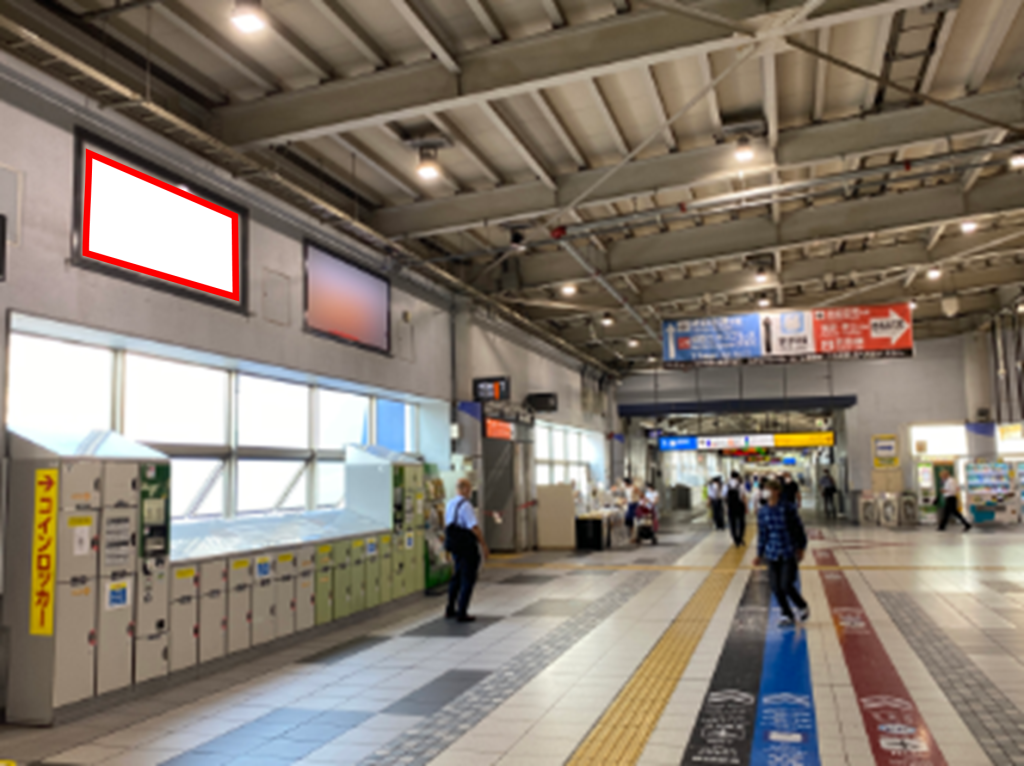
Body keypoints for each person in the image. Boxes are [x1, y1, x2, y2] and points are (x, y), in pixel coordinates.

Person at [754, 479, 810, 628]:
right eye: (764, 489)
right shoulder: (763, 512)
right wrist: (759, 554)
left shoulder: (787, 508)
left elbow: (798, 529)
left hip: (788, 551)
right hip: (771, 553)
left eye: (769, 489)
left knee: (786, 584)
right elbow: (762, 534)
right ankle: (787, 614)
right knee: (775, 587)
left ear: (777, 491)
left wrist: (801, 547)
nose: (766, 492)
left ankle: (802, 605)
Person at [445, 478, 490, 622]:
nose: (470, 492)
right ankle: (462, 611)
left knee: (457, 576)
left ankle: (450, 608)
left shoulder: (450, 504)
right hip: (466, 545)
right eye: (469, 489)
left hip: (454, 544)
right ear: (464, 489)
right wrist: (483, 545)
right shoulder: (466, 505)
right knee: (468, 578)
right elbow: (473, 527)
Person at [726, 471, 747, 547]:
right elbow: (743, 497)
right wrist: (746, 507)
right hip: (739, 506)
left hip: (731, 507)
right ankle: (740, 538)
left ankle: (735, 540)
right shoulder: (741, 485)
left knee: (732, 523)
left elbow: (724, 496)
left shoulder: (727, 485)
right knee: (742, 523)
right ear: (737, 476)